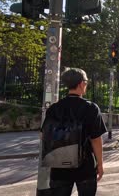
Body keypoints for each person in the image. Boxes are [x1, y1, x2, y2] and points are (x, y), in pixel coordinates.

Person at [43, 68, 107, 196]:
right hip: (85, 167)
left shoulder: (54, 108)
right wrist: (100, 164)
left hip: (58, 167)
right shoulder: (91, 108)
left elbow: (44, 135)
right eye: (86, 82)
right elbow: (96, 140)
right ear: (81, 83)